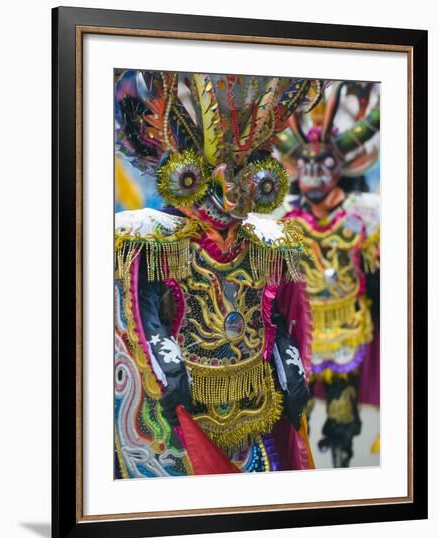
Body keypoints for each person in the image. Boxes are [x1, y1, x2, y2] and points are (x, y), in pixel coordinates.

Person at [114, 70, 322, 477]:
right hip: (183, 410)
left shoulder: (264, 241)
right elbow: (141, 311)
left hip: (254, 404)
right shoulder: (158, 238)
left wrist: (286, 357)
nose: (232, 196)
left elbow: (271, 311)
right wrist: (165, 366)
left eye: (243, 178)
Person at [277, 82, 380, 467]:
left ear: (345, 168)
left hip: (344, 326)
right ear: (294, 169)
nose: (315, 175)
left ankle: (341, 454)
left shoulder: (361, 217)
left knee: (341, 410)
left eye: (324, 166)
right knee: (294, 406)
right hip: (300, 329)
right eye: (307, 166)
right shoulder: (286, 221)